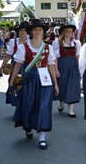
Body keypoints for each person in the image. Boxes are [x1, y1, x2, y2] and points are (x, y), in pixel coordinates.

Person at [10, 19, 59, 150]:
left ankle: (42, 137)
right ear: (31, 32)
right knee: (28, 104)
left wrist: (55, 84)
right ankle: (28, 127)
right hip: (29, 80)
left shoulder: (48, 48)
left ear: (43, 32)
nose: (37, 32)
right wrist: (12, 82)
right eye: (35, 30)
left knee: (44, 106)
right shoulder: (23, 47)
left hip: (45, 81)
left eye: (40, 30)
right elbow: (17, 66)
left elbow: (51, 66)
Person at [52, 20, 81, 117]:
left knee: (72, 87)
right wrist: (56, 70)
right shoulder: (57, 43)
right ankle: (61, 102)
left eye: (71, 31)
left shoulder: (76, 43)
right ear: (63, 32)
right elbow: (55, 58)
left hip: (73, 67)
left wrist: (79, 69)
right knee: (62, 86)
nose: (69, 33)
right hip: (62, 66)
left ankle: (71, 110)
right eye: (67, 31)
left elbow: (77, 57)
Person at [0, 21, 29, 106]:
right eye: (21, 30)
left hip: (29, 66)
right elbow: (8, 56)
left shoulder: (32, 41)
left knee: (27, 87)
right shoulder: (13, 42)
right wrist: (1, 68)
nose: (23, 32)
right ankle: (18, 106)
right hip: (16, 66)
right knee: (15, 85)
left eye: (25, 30)